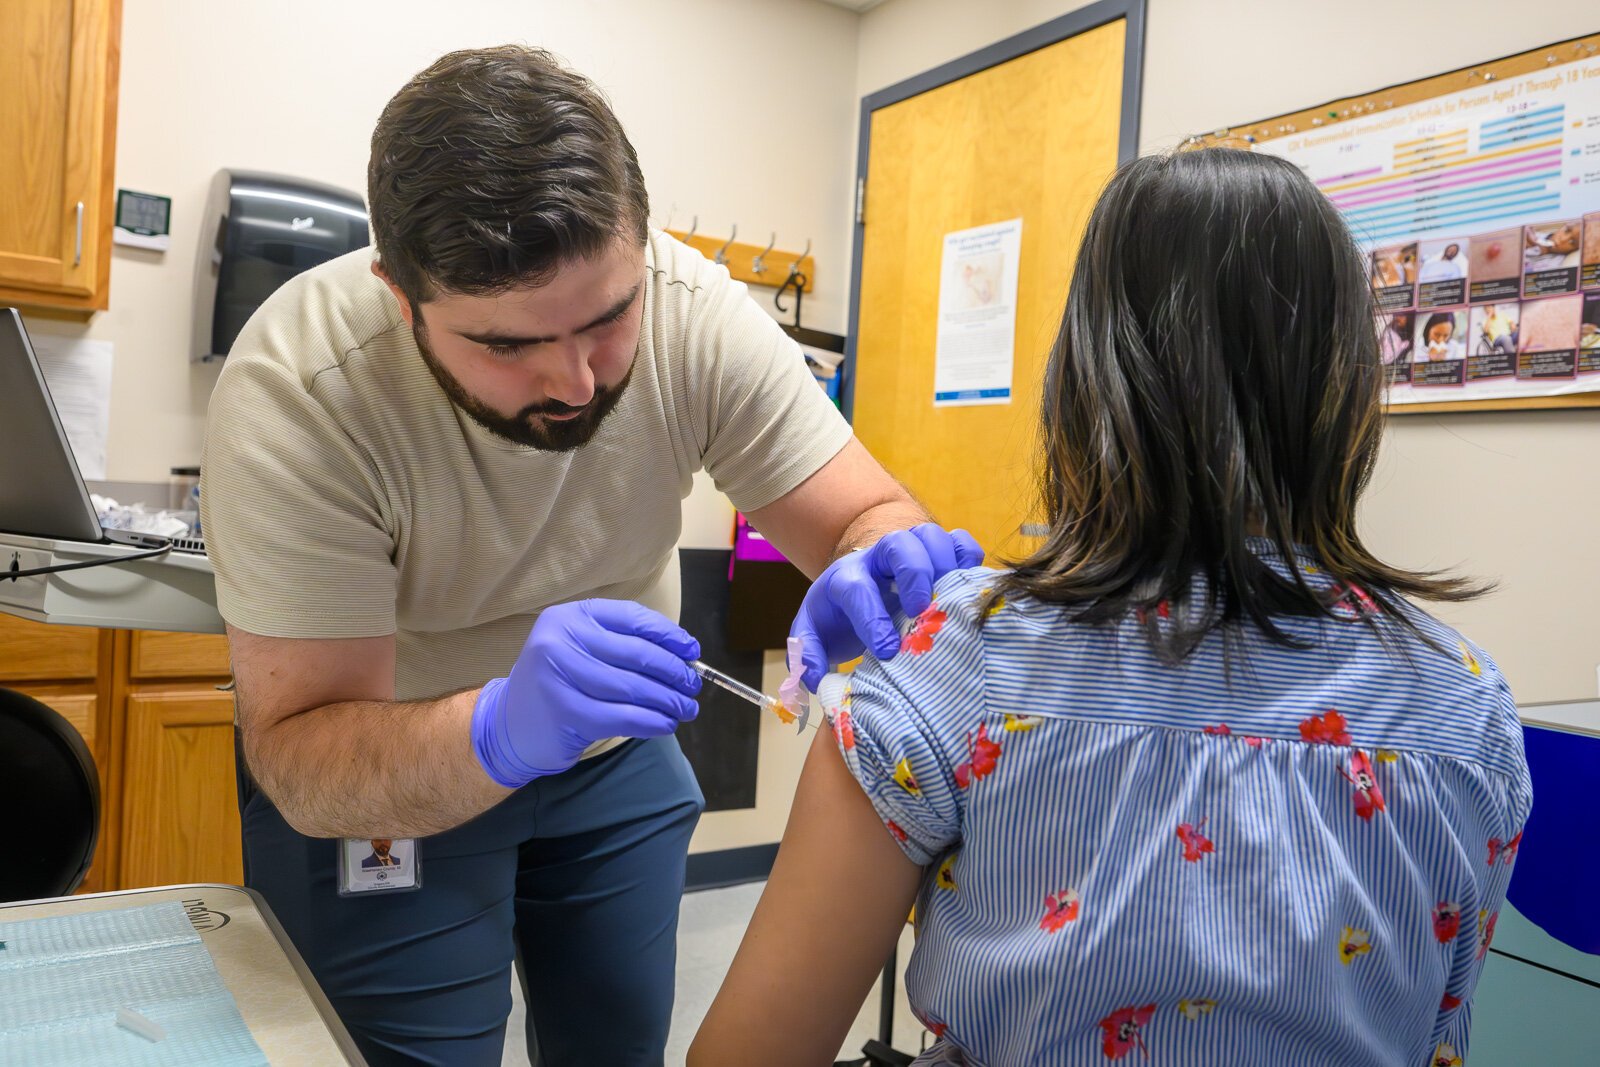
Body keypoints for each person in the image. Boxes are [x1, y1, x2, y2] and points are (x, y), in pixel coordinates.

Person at [201, 45, 980, 1065]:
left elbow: (862, 509)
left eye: (607, 319)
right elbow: (301, 754)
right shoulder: (302, 393)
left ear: (639, 241)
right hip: (391, 767)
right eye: (507, 344)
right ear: (402, 297)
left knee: (615, 1044)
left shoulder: (691, 311)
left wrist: (872, 556)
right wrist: (498, 727)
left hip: (614, 758)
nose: (573, 379)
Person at [690, 148, 1531, 1067]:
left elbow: (748, 1054)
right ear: (1347, 386)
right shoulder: (1466, 703)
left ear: (1084, 376)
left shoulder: (956, 658)